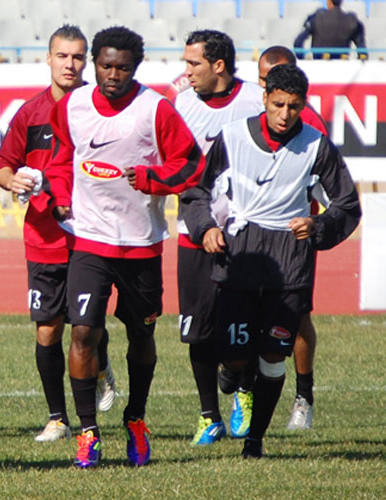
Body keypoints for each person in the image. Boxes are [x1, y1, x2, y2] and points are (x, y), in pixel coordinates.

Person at [181, 63, 360, 458]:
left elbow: (347, 205)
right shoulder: (232, 137)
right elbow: (196, 190)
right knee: (234, 353)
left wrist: (317, 225)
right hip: (241, 254)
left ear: (303, 105)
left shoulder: (316, 146)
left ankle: (255, 440)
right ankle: (234, 375)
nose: (284, 115)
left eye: (294, 107)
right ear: (264, 99)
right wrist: (206, 228)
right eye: (278, 104)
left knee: (274, 353)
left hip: (290, 262)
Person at [44, 26, 202, 468]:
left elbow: (190, 163)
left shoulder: (155, 110)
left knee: (141, 336)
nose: (114, 75)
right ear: (95, 63)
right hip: (90, 240)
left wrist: (153, 179)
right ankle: (89, 432)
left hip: (141, 245)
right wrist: (58, 194)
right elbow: (60, 154)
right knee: (82, 332)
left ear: (136, 68)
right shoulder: (73, 104)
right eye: (106, 65)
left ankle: (135, 419)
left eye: (123, 68)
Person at [0, 24, 117, 444]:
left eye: (78, 57)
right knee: (48, 330)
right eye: (63, 56)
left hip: (90, 237)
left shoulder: (101, 109)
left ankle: (100, 365)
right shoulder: (28, 114)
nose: (70, 64)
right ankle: (57, 419)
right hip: (43, 238)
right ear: (48, 59)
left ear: (88, 62)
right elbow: (4, 166)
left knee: (85, 328)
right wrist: (13, 182)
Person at [173, 29, 264, 445]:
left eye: (194, 64)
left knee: (241, 330)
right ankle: (208, 414)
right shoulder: (182, 103)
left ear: (219, 66)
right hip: (192, 232)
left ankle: (242, 388)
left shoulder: (253, 102)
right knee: (197, 329)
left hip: (244, 236)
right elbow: (178, 166)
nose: (186, 71)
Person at [250, 45, 330, 432]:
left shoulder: (308, 124)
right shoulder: (249, 120)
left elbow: (324, 184)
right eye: (267, 80)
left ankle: (303, 395)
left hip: (295, 237)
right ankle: (243, 393)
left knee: (297, 317)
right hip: (251, 236)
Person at [293, 0, 366, 60]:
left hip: (319, 63)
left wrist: (302, 58)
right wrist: (361, 58)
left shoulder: (316, 18)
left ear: (329, 1)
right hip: (342, 65)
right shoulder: (352, 20)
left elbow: (298, 43)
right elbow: (362, 49)